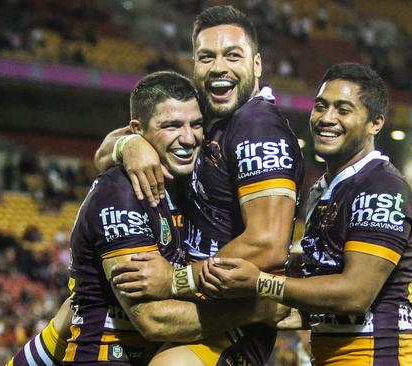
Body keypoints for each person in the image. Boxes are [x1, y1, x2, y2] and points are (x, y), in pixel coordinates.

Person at [7, 71, 284, 366]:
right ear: (138, 130)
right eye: (172, 126)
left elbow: (69, 312)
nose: (188, 138)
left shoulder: (188, 179)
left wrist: (124, 146)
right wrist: (256, 310)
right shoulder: (122, 193)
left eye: (196, 124)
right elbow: (152, 320)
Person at [103, 5, 304, 365]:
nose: (218, 68)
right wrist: (128, 145)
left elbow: (269, 244)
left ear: (256, 64)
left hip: (234, 314)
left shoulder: (258, 127)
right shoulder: (202, 114)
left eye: (232, 55)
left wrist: (177, 280)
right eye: (206, 57)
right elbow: (102, 156)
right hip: (198, 302)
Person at [201, 63, 412, 365]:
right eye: (321, 106)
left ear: (375, 123)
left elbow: (355, 293)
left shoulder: (381, 187)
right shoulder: (324, 189)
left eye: (343, 109)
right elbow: (321, 279)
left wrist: (260, 282)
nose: (327, 118)